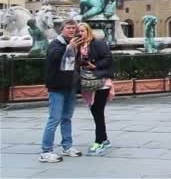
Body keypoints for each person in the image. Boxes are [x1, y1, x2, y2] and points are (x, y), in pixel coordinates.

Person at [39, 19, 83, 163]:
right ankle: (46, 151)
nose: (71, 30)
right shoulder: (55, 44)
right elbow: (54, 57)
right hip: (57, 88)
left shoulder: (74, 44)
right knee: (54, 119)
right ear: (62, 29)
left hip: (70, 87)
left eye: (73, 28)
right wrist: (69, 48)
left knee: (67, 119)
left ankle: (67, 146)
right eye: (68, 28)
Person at [75, 22, 115, 156]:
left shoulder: (97, 43)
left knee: (98, 111)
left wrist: (95, 65)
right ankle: (104, 139)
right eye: (78, 31)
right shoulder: (78, 46)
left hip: (101, 81)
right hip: (88, 82)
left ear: (88, 31)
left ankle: (99, 142)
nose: (80, 33)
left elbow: (108, 58)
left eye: (83, 31)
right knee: (95, 111)